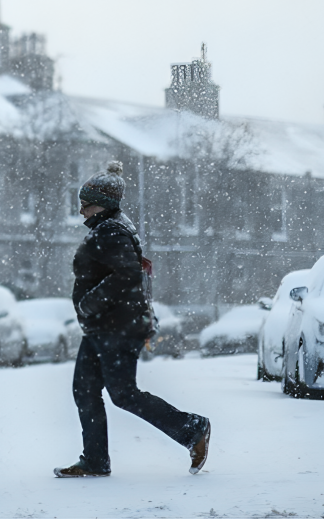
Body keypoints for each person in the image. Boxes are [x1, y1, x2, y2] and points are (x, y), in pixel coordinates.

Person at [55, 160, 211, 478]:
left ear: (103, 205)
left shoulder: (111, 230)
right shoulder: (111, 227)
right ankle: (95, 459)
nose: (82, 211)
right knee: (84, 390)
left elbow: (126, 275)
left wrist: (88, 303)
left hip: (116, 327)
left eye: (86, 204)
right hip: (104, 327)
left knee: (123, 394)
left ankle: (192, 428)